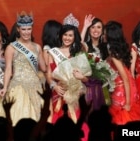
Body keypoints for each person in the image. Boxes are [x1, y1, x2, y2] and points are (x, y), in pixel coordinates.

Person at [0, 11, 46, 127]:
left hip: (35, 86)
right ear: (18, 29)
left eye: (29, 29)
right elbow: (8, 69)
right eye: (23, 29)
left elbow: (43, 68)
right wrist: (4, 87)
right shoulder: (11, 47)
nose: (26, 32)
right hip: (17, 86)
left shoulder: (37, 47)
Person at [46, 13, 91, 141]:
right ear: (61, 35)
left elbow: (87, 79)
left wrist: (81, 77)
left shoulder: (79, 52)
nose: (67, 38)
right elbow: (49, 75)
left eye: (70, 35)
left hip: (75, 95)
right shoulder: (52, 52)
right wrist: (54, 86)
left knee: (77, 125)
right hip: (58, 94)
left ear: (74, 36)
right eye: (65, 35)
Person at [102, 21, 140, 125]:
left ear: (110, 35)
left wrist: (128, 103)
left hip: (122, 90)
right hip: (124, 87)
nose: (103, 35)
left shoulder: (113, 52)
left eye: (104, 33)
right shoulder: (114, 50)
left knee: (122, 117)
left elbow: (125, 78)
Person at [80, 14, 108, 111]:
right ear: (89, 30)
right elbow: (77, 45)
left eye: (99, 27)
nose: (96, 30)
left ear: (102, 30)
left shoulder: (106, 47)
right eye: (93, 27)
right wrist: (85, 26)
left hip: (104, 86)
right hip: (88, 85)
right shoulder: (85, 46)